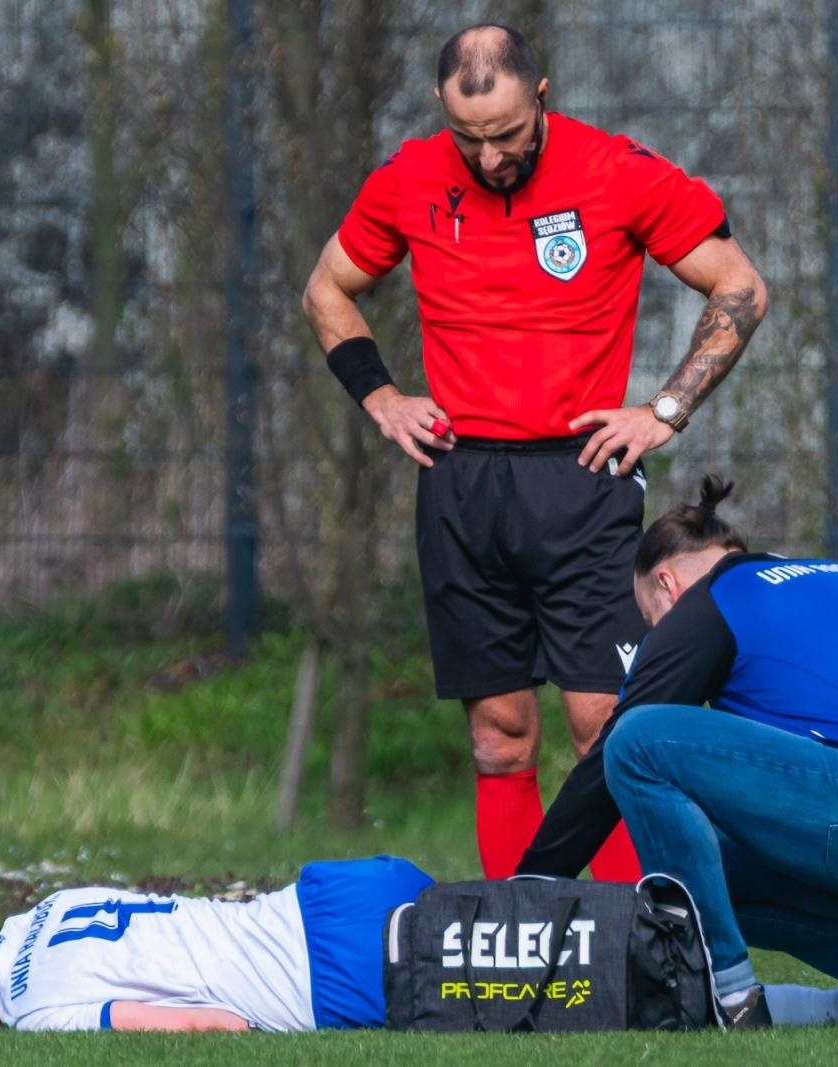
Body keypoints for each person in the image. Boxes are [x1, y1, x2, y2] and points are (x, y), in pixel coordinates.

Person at [302, 23, 767, 883]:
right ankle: (522, 957)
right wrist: (383, 397)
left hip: (584, 480)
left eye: (508, 136)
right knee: (498, 734)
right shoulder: (408, 179)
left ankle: (638, 942)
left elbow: (740, 284)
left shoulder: (617, 173)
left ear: (542, 97)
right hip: (461, 485)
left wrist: (665, 410)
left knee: (608, 726)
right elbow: (327, 287)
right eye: (468, 139)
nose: (488, 160)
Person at [515, 476, 838, 1030]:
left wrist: (530, 887)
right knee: (701, 874)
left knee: (638, 740)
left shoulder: (710, 602)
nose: (658, 635)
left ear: (667, 583)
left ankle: (728, 999)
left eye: (651, 619)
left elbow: (617, 751)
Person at [0, 855, 432, 1031]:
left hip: (332, 976)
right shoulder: (46, 907)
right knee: (506, 910)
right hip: (338, 889)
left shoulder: (35, 1011)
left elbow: (201, 1024)